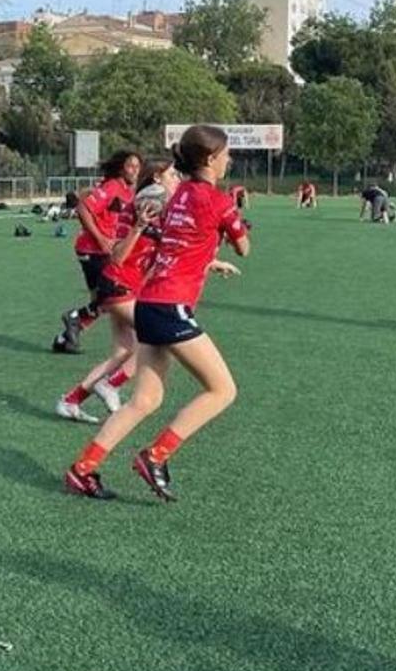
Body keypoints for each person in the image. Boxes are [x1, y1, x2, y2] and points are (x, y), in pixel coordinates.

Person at [65, 125, 249, 502]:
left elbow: (174, 243)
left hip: (148, 301)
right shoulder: (218, 200)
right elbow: (244, 246)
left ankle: (81, 470)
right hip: (170, 307)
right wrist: (228, 232)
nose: (230, 159)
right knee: (223, 390)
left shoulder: (176, 195)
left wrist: (209, 261)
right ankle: (155, 455)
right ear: (212, 158)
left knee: (144, 401)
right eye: (227, 153)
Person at [55, 160, 183, 424]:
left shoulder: (158, 208)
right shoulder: (141, 207)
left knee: (122, 352)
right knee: (157, 338)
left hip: (127, 287)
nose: (177, 178)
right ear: (157, 178)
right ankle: (111, 385)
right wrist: (138, 227)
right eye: (172, 174)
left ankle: (70, 401)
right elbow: (116, 256)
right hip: (118, 286)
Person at [51, 151, 142, 354]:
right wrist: (101, 238)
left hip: (100, 250)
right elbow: (83, 209)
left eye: (137, 166)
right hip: (93, 250)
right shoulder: (112, 187)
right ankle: (75, 316)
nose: (135, 170)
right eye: (130, 166)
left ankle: (64, 339)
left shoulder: (128, 190)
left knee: (103, 300)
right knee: (113, 295)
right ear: (121, 168)